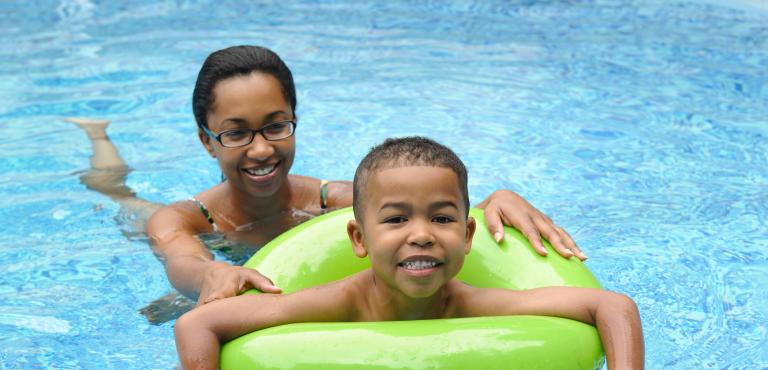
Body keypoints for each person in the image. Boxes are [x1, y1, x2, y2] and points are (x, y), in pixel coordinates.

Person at [174, 136, 657, 370]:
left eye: (442, 219)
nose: (421, 236)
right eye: (397, 219)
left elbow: (612, 305)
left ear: (469, 236)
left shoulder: (471, 302)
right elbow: (196, 325)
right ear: (359, 240)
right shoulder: (338, 303)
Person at [67, 45, 586, 322]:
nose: (262, 149)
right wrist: (206, 278)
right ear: (207, 142)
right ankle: (100, 143)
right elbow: (183, 261)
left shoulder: (325, 201)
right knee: (125, 200)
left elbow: (419, 198)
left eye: (276, 125)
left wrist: (498, 196)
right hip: (214, 237)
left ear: (294, 120)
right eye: (236, 134)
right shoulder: (183, 220)